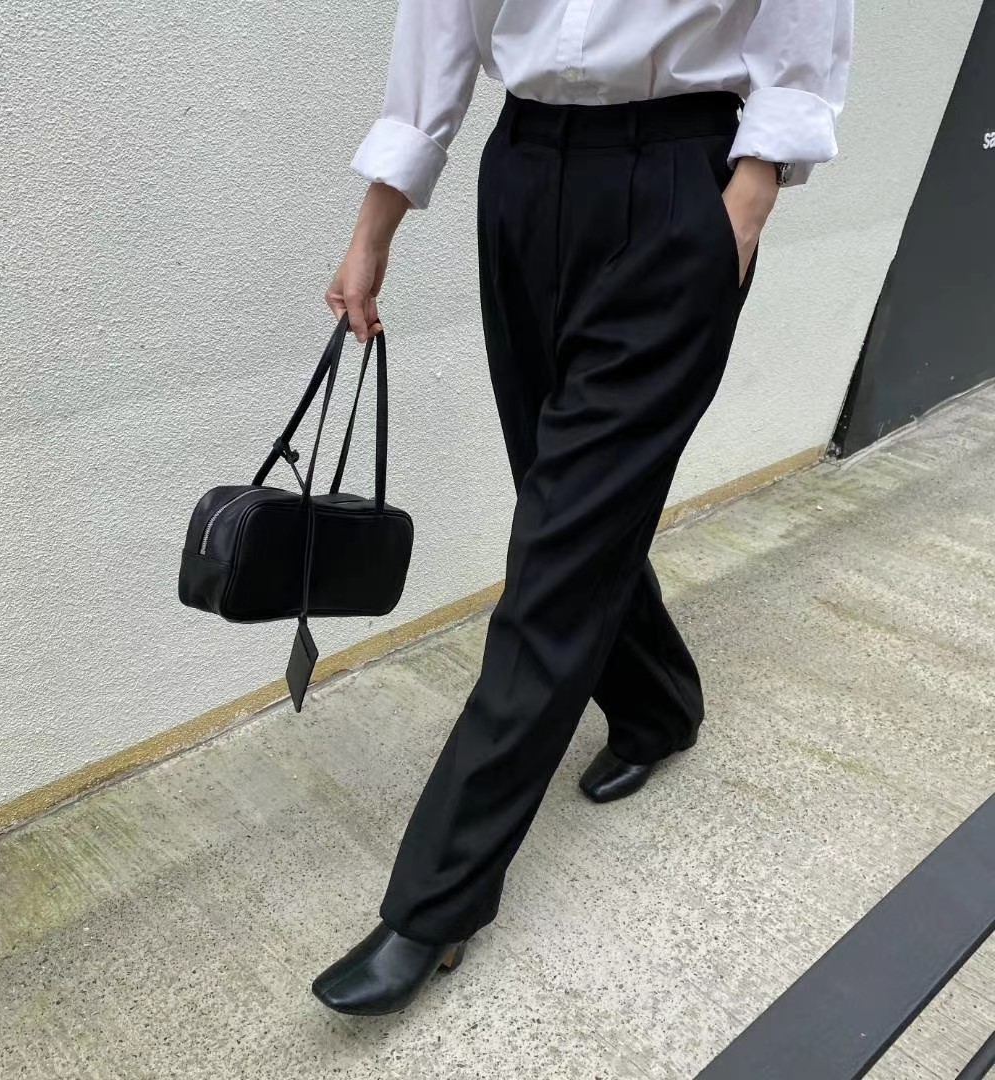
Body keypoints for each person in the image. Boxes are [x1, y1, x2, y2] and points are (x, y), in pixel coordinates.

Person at [313, 0, 853, 1016]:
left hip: (680, 183)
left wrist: (743, 207)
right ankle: (657, 705)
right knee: (563, 501)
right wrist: (372, 230)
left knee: (560, 545)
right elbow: (439, 34)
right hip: (522, 177)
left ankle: (435, 901)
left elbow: (802, 31)